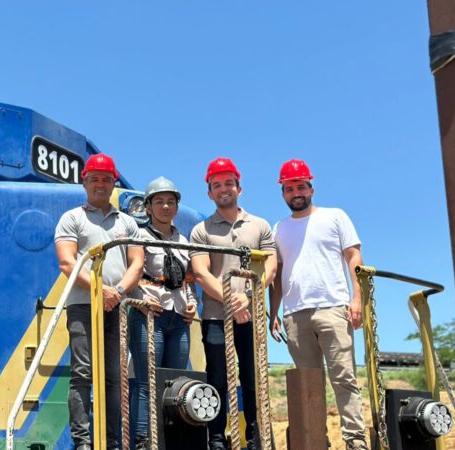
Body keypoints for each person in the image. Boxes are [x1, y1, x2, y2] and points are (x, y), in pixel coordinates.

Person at [269, 159, 369, 450]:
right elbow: (277, 276)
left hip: (334, 308)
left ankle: (355, 442)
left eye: (301, 186)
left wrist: (357, 298)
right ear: (283, 193)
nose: (295, 192)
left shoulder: (335, 216)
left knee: (344, 379)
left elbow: (354, 257)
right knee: (307, 385)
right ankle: (315, 443)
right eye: (289, 188)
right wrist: (274, 312)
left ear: (311, 187)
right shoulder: (279, 228)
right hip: (294, 315)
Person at [55, 153, 145, 450]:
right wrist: (99, 291)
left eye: (106, 179)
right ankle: (82, 442)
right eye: (95, 178)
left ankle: (114, 441)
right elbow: (67, 263)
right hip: (82, 306)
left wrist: (116, 292)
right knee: (82, 373)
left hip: (118, 307)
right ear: (85, 182)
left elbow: (137, 263)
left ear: (114, 183)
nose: (101, 184)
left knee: (116, 377)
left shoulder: (128, 223)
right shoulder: (72, 218)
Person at [189, 158, 277, 450]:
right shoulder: (201, 230)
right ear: (209, 193)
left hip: (251, 317)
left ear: (239, 187)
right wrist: (232, 301)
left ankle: (255, 436)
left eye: (228, 183)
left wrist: (248, 299)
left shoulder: (261, 226)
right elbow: (200, 272)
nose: (223, 189)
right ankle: (216, 437)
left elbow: (270, 268)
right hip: (215, 317)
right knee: (217, 378)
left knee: (252, 378)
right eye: (217, 185)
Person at [128, 177, 198, 449]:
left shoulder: (184, 240)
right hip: (149, 314)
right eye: (159, 201)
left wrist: (192, 304)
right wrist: (140, 302)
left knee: (175, 384)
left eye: (171, 201)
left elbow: (187, 279)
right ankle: (144, 439)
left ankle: (171, 440)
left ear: (177, 206)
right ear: (148, 207)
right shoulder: (138, 235)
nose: (165, 206)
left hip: (178, 317)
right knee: (147, 381)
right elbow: (132, 272)